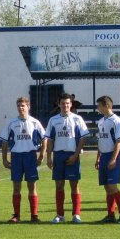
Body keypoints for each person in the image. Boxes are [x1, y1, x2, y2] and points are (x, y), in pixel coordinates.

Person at [45, 93, 90, 223]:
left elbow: (83, 137)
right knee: (59, 185)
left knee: (74, 185)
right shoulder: (53, 120)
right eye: (63, 103)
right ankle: (60, 215)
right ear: (59, 104)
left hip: (72, 155)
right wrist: (49, 157)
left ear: (71, 104)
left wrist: (76, 155)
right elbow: (50, 139)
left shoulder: (77, 119)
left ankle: (76, 214)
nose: (65, 105)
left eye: (68, 103)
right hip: (58, 155)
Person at [0, 96, 46, 223]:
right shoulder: (11, 123)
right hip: (16, 156)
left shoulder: (35, 122)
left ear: (28, 107)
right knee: (16, 186)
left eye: (23, 106)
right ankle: (17, 215)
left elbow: (44, 138)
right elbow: (4, 141)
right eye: (19, 106)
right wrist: (4, 159)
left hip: (30, 156)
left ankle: (34, 215)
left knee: (32, 186)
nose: (21, 108)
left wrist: (42, 155)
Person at [95, 95, 120, 224]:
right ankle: (111, 215)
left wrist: (113, 158)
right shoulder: (101, 121)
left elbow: (119, 141)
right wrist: (98, 157)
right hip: (103, 156)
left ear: (106, 106)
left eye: (99, 106)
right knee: (107, 187)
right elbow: (100, 140)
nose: (98, 109)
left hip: (112, 156)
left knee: (113, 186)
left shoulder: (116, 120)